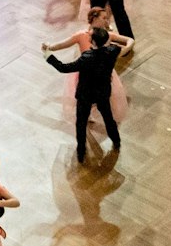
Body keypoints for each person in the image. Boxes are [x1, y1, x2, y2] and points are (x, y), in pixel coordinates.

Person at [45, 25, 132, 163]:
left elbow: (63, 68)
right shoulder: (112, 51)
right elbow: (125, 46)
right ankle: (116, 141)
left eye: (90, 36)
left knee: (81, 123)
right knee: (108, 118)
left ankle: (81, 152)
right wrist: (128, 42)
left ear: (93, 41)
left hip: (86, 95)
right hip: (102, 93)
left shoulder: (86, 57)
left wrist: (48, 56)